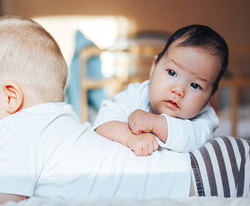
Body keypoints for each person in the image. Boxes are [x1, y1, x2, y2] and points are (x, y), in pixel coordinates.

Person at [0, 16, 250, 206]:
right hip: (217, 164)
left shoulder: (19, 131)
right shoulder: (52, 121)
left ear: (11, 98)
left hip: (208, 177)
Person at [94, 25, 229, 156]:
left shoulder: (205, 118)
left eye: (195, 85)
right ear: (154, 67)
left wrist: (156, 123)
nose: (178, 90)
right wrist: (130, 138)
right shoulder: (136, 94)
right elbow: (103, 121)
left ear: (209, 96)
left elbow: (195, 140)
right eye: (171, 72)